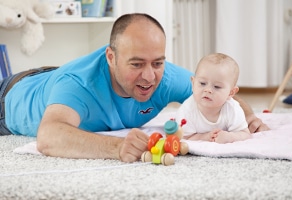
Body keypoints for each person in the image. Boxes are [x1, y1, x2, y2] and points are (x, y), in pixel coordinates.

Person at [0, 13, 269, 162]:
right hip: (10, 98)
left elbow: (218, 94)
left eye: (158, 62)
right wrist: (115, 148)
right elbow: (48, 137)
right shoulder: (78, 83)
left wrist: (248, 117)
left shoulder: (165, 76)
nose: (149, 76)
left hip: (49, 78)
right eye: (137, 64)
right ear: (111, 58)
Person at [176, 53, 252, 143]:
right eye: (202, 83)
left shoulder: (232, 109)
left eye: (217, 87)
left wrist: (230, 137)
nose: (208, 90)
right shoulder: (187, 111)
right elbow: (185, 138)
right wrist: (206, 137)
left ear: (231, 92)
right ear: (193, 83)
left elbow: (245, 134)